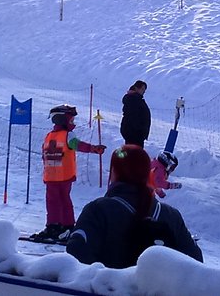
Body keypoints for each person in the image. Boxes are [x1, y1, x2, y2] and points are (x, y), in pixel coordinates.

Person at [66, 145, 202, 269]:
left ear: (114, 173)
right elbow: (196, 264)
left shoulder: (98, 210)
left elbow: (75, 262)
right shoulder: (172, 216)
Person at [32, 104, 107, 242]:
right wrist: (94, 149)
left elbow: (74, 146)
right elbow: (76, 145)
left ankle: (55, 226)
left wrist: (93, 149)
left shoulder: (51, 136)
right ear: (62, 120)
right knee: (63, 200)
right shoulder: (65, 135)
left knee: (54, 201)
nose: (73, 123)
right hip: (60, 175)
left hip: (55, 176)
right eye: (71, 120)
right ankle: (67, 225)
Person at [120, 80, 150, 148]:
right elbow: (133, 117)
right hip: (134, 135)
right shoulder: (133, 99)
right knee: (134, 154)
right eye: (142, 89)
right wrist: (139, 132)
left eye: (144, 89)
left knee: (133, 154)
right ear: (136, 88)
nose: (144, 91)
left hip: (135, 134)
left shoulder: (136, 98)